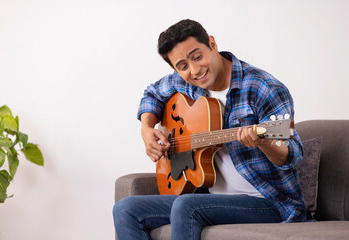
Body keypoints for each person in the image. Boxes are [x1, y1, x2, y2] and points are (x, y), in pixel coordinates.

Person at [113, 19, 312, 240]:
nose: (195, 70)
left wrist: (264, 142)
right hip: (213, 199)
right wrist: (146, 128)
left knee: (186, 206)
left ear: (212, 43)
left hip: (269, 202)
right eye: (183, 66)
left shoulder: (263, 87)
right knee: (125, 209)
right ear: (175, 69)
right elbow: (152, 93)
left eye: (197, 57)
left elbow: (293, 154)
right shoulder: (186, 83)